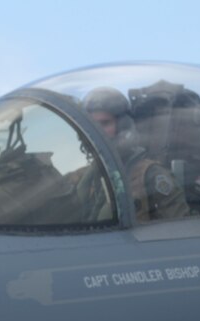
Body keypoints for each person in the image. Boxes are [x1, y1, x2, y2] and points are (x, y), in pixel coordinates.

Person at [81, 86, 191, 223]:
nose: (97, 131)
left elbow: (179, 229)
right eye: (93, 125)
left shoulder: (151, 175)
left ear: (123, 126)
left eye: (105, 123)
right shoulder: (89, 175)